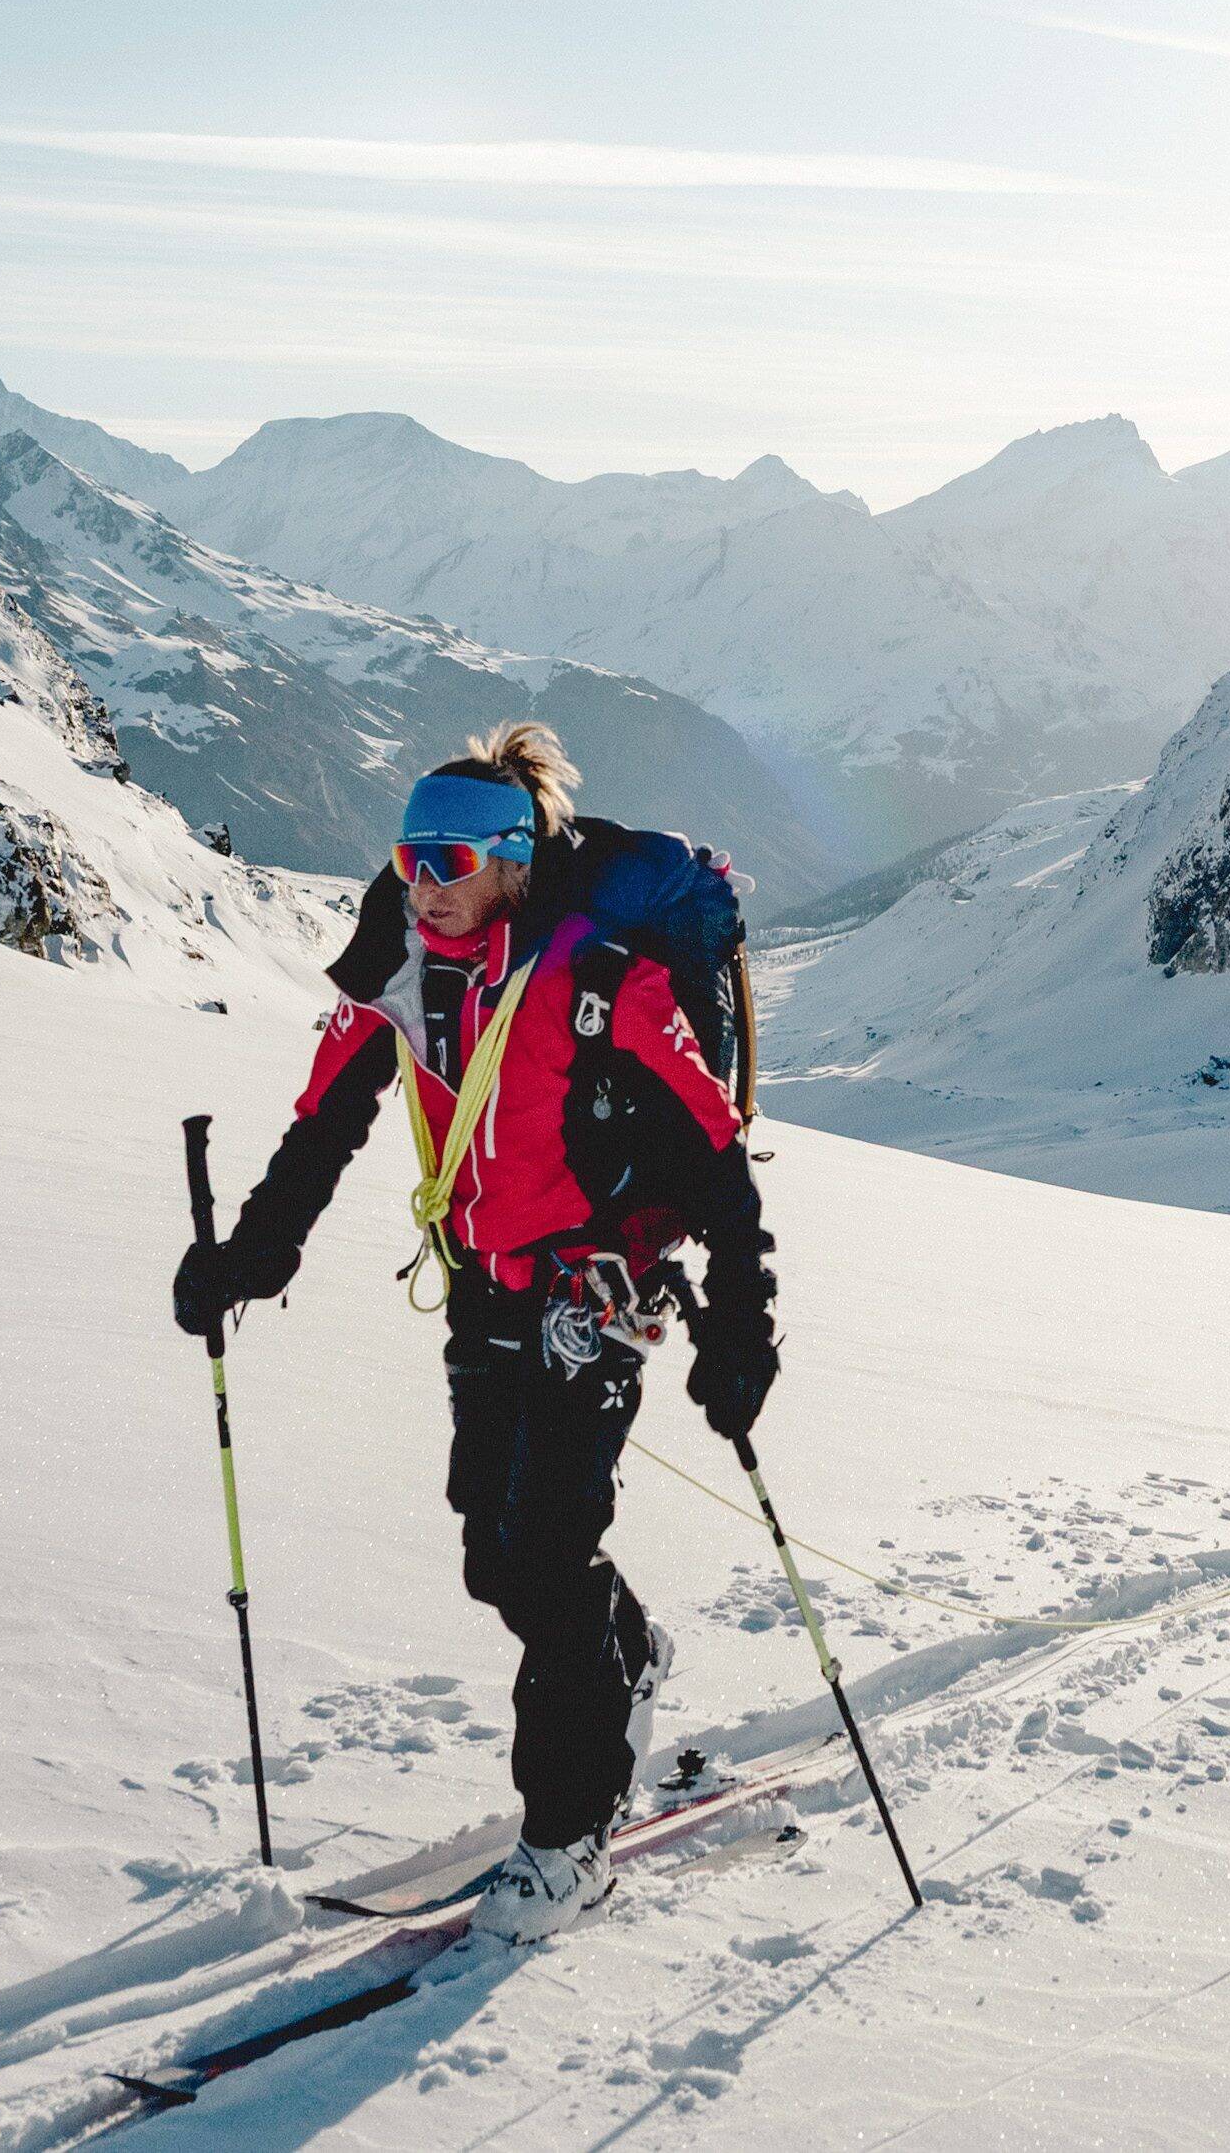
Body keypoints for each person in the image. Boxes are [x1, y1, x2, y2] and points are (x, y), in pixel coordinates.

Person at [169, 723, 776, 1940]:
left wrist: (742, 1321)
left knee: (547, 1558)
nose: (423, 884)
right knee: (492, 1555)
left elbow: (714, 1153)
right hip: (482, 1288)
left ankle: (569, 1841)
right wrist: (254, 1253)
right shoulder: (400, 965)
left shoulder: (601, 976)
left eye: (446, 860)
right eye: (406, 860)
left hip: (592, 1296)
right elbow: (326, 1121)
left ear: (512, 856)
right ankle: (629, 1658)